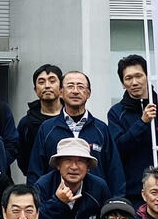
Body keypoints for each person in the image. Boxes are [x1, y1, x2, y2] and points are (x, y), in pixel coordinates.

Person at [26, 71, 129, 201]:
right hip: (55, 203)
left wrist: (115, 204)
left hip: (95, 203)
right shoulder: (47, 128)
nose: (75, 91)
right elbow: (35, 171)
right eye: (70, 86)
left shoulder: (101, 129)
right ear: (61, 92)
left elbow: (114, 171)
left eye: (80, 87)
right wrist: (34, 203)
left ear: (88, 93)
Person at [33, 137, 109, 219]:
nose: (74, 167)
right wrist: (57, 202)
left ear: (88, 167)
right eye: (68, 160)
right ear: (58, 165)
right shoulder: (43, 186)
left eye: (80, 161)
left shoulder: (99, 187)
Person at [106, 54, 158, 204]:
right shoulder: (116, 113)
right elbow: (118, 149)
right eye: (128, 78)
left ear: (147, 77)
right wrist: (142, 122)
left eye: (139, 76)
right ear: (123, 83)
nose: (134, 82)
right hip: (133, 192)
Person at [15, 64, 65, 181]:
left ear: (61, 88)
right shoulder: (26, 123)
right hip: (37, 182)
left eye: (52, 81)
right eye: (41, 82)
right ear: (35, 90)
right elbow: (22, 157)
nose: (47, 86)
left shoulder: (71, 119)